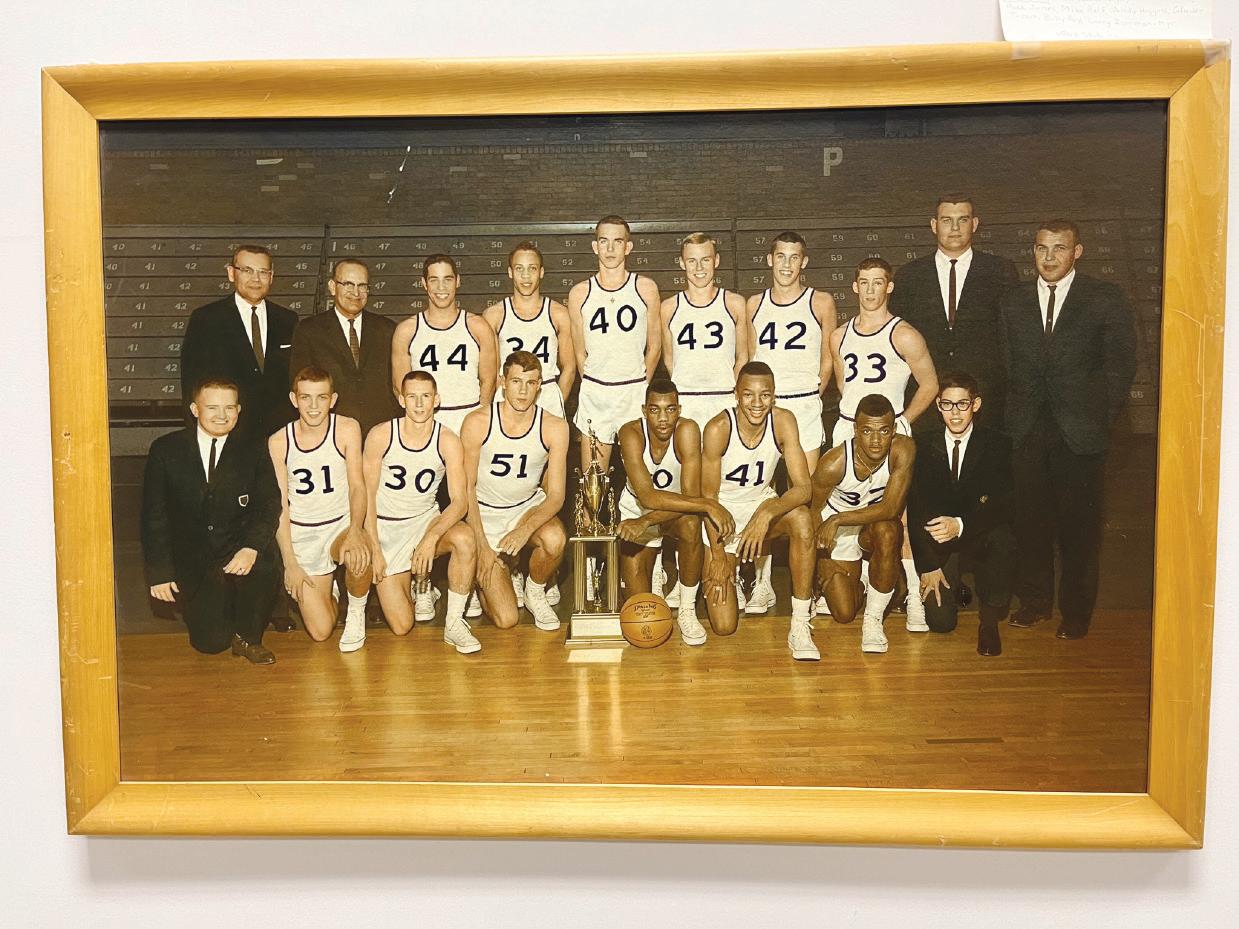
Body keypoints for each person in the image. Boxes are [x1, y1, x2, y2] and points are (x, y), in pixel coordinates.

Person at [1000, 219, 1136, 639]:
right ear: (1033, 251)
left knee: (1079, 530)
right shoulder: (1013, 301)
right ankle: (1035, 603)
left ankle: (1076, 614)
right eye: (1042, 248)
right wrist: (1014, 420)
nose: (1049, 257)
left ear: (1077, 252)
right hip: (1027, 430)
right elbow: (1006, 364)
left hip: (1079, 433)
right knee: (1030, 524)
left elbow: (1121, 366)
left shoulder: (1103, 297)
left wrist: (1098, 419)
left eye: (1059, 248)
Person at [827, 256, 938, 630]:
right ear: (854, 286)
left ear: (889, 287)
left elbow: (930, 384)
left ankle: (913, 597)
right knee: (845, 507)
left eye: (878, 282)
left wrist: (902, 421)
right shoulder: (839, 336)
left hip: (888, 433)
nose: (870, 289)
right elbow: (844, 385)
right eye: (864, 282)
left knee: (896, 517)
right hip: (848, 428)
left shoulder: (904, 334)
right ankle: (862, 583)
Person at [140, 377, 281, 664]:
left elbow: (269, 505)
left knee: (266, 557)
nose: (221, 415)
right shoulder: (166, 450)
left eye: (229, 408)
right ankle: (222, 610)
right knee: (210, 643)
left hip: (236, 550)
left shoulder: (253, 448)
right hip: (194, 559)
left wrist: (251, 547)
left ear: (238, 410)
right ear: (195, 409)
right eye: (212, 407)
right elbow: (154, 515)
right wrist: (160, 573)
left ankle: (248, 636)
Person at [653, 232, 749, 607]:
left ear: (716, 261)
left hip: (723, 401)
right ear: (681, 264)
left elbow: (743, 358)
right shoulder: (668, 308)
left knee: (722, 489)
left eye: (705, 260)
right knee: (687, 493)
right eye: (691, 261)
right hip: (688, 405)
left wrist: (730, 400)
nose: (698, 268)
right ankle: (685, 575)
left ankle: (732, 569)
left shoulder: (734, 304)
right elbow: (670, 361)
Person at [743, 231, 836, 614]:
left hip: (804, 405)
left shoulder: (820, 302)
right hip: (765, 409)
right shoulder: (754, 304)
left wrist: (813, 395)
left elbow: (828, 359)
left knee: (806, 496)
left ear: (804, 262)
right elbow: (750, 359)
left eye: (794, 257)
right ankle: (762, 584)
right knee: (761, 494)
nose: (786, 264)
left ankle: (809, 587)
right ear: (769, 260)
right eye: (780, 256)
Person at [700, 361, 817, 660]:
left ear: (774, 396)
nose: (757, 403)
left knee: (802, 519)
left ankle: (800, 623)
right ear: (736, 395)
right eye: (748, 394)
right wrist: (718, 556)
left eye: (765, 395)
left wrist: (766, 514)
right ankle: (735, 570)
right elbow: (708, 499)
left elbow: (804, 488)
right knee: (724, 626)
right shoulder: (718, 428)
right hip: (723, 518)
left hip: (761, 505)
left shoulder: (783, 421)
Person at [363, 371, 479, 654]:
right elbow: (366, 498)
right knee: (402, 625)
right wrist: (375, 548)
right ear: (401, 400)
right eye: (412, 397)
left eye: (425, 396)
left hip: (424, 521)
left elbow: (460, 502)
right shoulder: (381, 435)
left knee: (464, 538)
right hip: (387, 528)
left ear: (436, 400)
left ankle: (454, 623)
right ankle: (422, 584)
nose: (418, 404)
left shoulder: (447, 440)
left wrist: (431, 537)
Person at [616, 378, 736, 646]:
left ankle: (687, 608)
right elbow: (647, 496)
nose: (663, 418)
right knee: (640, 611)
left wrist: (648, 520)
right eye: (655, 410)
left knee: (691, 523)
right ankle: (655, 562)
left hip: (675, 513)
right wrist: (708, 504)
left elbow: (690, 496)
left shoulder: (688, 430)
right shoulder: (630, 433)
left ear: (679, 410)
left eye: (670, 409)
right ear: (644, 410)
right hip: (637, 510)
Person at [908, 372, 1015, 656]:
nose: (954, 413)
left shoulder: (998, 444)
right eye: (947, 404)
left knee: (1002, 537)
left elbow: (1003, 504)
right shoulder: (922, 444)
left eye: (962, 404)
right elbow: (915, 509)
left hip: (977, 535)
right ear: (938, 405)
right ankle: (955, 585)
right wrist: (928, 566)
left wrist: (961, 524)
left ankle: (989, 622)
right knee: (941, 624)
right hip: (940, 541)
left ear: (975, 405)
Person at [462, 350, 570, 632]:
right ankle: (484, 576)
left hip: (525, 509)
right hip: (485, 514)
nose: (523, 391)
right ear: (502, 382)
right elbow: (466, 489)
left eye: (531, 383)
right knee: (507, 619)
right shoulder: (477, 422)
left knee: (555, 538)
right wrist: (482, 546)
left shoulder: (555, 427)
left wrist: (524, 531)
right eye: (516, 382)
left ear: (540, 385)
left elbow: (556, 496)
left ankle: (535, 589)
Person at [889, 196, 1019, 430]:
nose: (955, 228)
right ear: (934, 225)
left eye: (963, 220)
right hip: (927, 400)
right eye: (947, 220)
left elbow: (1013, 338)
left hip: (985, 398)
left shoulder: (1001, 271)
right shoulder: (909, 276)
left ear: (975, 224)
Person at [268, 367, 372, 652]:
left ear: (333, 399)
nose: (313, 406)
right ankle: (332, 593)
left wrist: (356, 530)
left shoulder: (347, 428)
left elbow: (357, 486)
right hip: (304, 533)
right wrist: (290, 562)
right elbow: (280, 506)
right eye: (306, 398)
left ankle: (356, 615)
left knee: (358, 554)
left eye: (321, 397)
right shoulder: (279, 441)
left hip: (340, 525)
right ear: (294, 399)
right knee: (320, 631)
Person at [810, 394, 916, 655]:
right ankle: (868, 576)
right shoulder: (834, 463)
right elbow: (811, 512)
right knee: (844, 613)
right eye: (867, 431)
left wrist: (839, 519)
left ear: (894, 430)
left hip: (867, 524)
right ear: (855, 430)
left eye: (884, 431)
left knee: (888, 529)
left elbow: (890, 509)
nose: (876, 440)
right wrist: (822, 558)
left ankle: (873, 619)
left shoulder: (903, 449)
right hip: (835, 534)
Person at [567, 215, 662, 472]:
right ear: (595, 246)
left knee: (643, 479)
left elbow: (655, 346)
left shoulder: (645, 288)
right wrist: (594, 383)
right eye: (604, 241)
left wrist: (640, 384)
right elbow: (579, 351)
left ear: (628, 247)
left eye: (617, 241)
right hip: (596, 394)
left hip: (634, 392)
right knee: (593, 480)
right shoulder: (579, 293)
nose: (610, 248)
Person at [180, 244, 298, 440]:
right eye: (247, 271)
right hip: (228, 436)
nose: (256, 279)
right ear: (231, 273)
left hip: (279, 436)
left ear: (271, 277)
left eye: (263, 272)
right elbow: (191, 384)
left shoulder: (288, 319)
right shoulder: (206, 319)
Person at [288, 258, 400, 436]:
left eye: (362, 286)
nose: (356, 292)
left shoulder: (387, 329)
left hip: (382, 432)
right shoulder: (309, 330)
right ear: (333, 287)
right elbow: (301, 387)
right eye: (348, 284)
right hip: (331, 434)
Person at [392, 254, 499, 436]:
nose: (441, 287)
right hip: (427, 423)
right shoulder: (407, 330)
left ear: (458, 281)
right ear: (424, 284)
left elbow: (489, 381)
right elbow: (399, 387)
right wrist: (420, 423)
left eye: (447, 279)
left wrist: (478, 420)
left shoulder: (478, 327)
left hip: (469, 420)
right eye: (434, 280)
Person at [483, 242, 577, 418]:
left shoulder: (558, 314)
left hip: (546, 395)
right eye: (519, 268)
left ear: (541, 272)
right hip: (508, 398)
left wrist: (556, 406)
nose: (525, 276)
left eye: (532, 268)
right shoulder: (494, 315)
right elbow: (492, 373)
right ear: (510, 272)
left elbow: (569, 368)